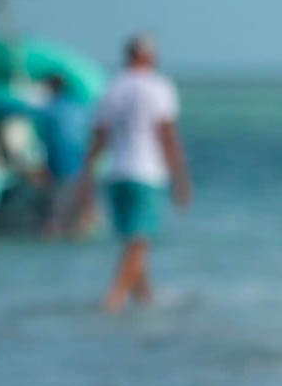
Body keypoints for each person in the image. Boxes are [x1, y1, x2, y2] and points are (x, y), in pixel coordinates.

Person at [81, 35, 191, 311]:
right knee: (139, 242)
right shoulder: (158, 87)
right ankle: (114, 299)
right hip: (147, 172)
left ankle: (145, 299)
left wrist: (87, 174)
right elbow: (166, 133)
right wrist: (181, 176)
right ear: (149, 56)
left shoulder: (113, 87)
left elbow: (100, 136)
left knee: (132, 241)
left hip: (116, 172)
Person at [36, 73, 93, 239]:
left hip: (61, 163)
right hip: (81, 161)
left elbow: (28, 112)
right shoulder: (79, 106)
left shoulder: (51, 108)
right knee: (79, 217)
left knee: (55, 216)